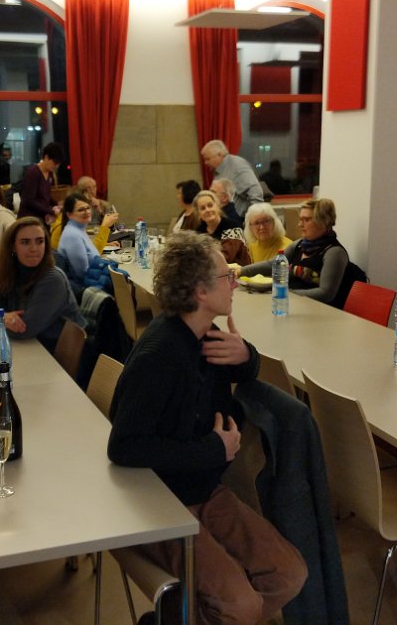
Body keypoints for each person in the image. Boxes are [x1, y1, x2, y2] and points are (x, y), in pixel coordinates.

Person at [108, 232, 306, 625]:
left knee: (288, 574)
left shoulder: (206, 337)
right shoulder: (161, 354)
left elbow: (243, 370)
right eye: (226, 276)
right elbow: (124, 446)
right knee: (240, 606)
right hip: (160, 497)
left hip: (203, 488)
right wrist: (213, 450)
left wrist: (246, 355)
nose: (235, 282)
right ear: (200, 291)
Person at [0, 217, 85, 353]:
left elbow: (23, 330)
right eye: (25, 242)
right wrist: (1, 317)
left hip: (52, 358)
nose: (34, 249)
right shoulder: (9, 274)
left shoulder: (53, 279)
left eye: (40, 241)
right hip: (28, 350)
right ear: (13, 246)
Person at [239, 198, 359, 308]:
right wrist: (240, 271)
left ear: (323, 221)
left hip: (320, 313)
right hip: (296, 306)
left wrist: (283, 293)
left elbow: (325, 294)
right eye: (300, 219)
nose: (300, 224)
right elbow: (273, 265)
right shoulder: (299, 244)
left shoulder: (334, 253)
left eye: (306, 220)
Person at [200, 139, 262, 219]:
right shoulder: (219, 170)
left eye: (208, 159)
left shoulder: (237, 166)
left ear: (219, 155)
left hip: (239, 221)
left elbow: (256, 193)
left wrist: (251, 219)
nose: (205, 163)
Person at [57, 193, 104, 282]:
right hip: (84, 287)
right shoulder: (72, 235)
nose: (87, 212)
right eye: (81, 210)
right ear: (69, 215)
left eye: (88, 208)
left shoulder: (79, 229)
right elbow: (82, 274)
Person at [194, 189, 250, 265]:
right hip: (209, 269)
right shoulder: (199, 232)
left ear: (217, 206)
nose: (207, 210)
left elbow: (225, 257)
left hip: (238, 270)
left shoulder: (233, 226)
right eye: (202, 208)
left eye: (210, 205)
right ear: (198, 214)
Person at [18, 142, 64, 223]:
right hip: (29, 218)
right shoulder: (33, 173)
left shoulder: (50, 173)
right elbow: (29, 201)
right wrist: (51, 211)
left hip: (41, 216)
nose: (56, 166)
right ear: (46, 157)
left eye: (58, 164)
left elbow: (46, 196)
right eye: (55, 163)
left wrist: (57, 204)